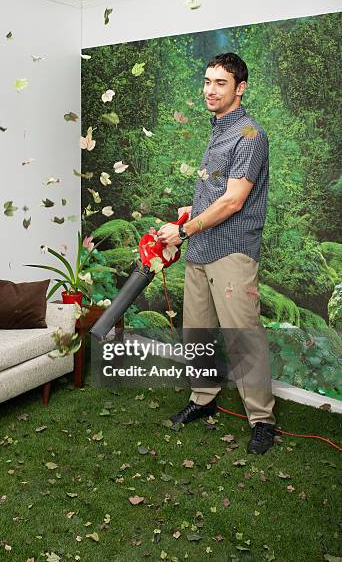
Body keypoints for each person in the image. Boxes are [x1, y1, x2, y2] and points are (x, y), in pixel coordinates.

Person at [156, 52, 276, 455]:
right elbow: (217, 193)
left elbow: (234, 201)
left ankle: (262, 421)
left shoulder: (249, 135)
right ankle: (202, 399)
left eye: (220, 83)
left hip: (232, 251)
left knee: (244, 339)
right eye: (207, 81)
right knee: (199, 332)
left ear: (240, 88)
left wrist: (183, 229)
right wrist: (191, 214)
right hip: (200, 249)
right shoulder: (217, 130)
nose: (210, 89)